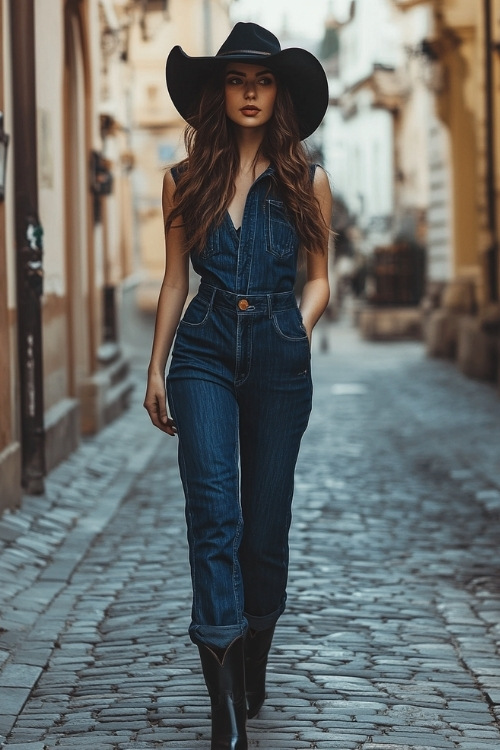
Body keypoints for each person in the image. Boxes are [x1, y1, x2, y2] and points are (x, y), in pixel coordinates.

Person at [144, 22, 332, 750]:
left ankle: (253, 658)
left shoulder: (305, 179)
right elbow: (172, 281)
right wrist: (156, 366)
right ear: (216, 92)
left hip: (280, 354)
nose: (249, 92)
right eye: (234, 79)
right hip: (205, 348)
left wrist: (296, 330)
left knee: (264, 527)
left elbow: (319, 279)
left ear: (278, 92)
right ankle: (225, 709)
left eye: (261, 79)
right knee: (214, 516)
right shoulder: (182, 181)